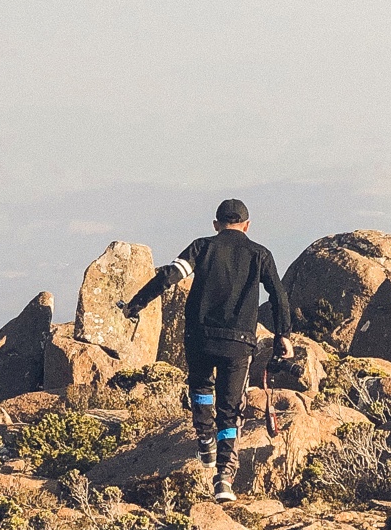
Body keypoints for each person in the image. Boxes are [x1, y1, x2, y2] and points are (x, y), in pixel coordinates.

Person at [122, 197, 294, 501]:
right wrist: (283, 334)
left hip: (200, 337)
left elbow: (169, 276)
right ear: (247, 225)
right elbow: (279, 295)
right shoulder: (260, 254)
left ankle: (204, 440)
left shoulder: (202, 247)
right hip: (239, 342)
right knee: (230, 410)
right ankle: (224, 478)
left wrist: (136, 304)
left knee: (201, 388)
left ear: (216, 225)